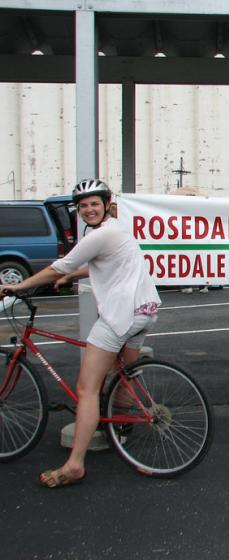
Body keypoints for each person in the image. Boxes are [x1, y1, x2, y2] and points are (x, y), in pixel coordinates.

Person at [0, 179, 160, 488]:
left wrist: (16, 286)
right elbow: (102, 264)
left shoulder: (99, 235)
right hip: (146, 310)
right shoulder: (118, 228)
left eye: (93, 204)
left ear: (104, 204)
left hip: (120, 315)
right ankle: (121, 428)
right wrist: (74, 274)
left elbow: (55, 268)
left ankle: (74, 465)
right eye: (83, 205)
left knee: (87, 389)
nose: (88, 209)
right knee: (121, 369)